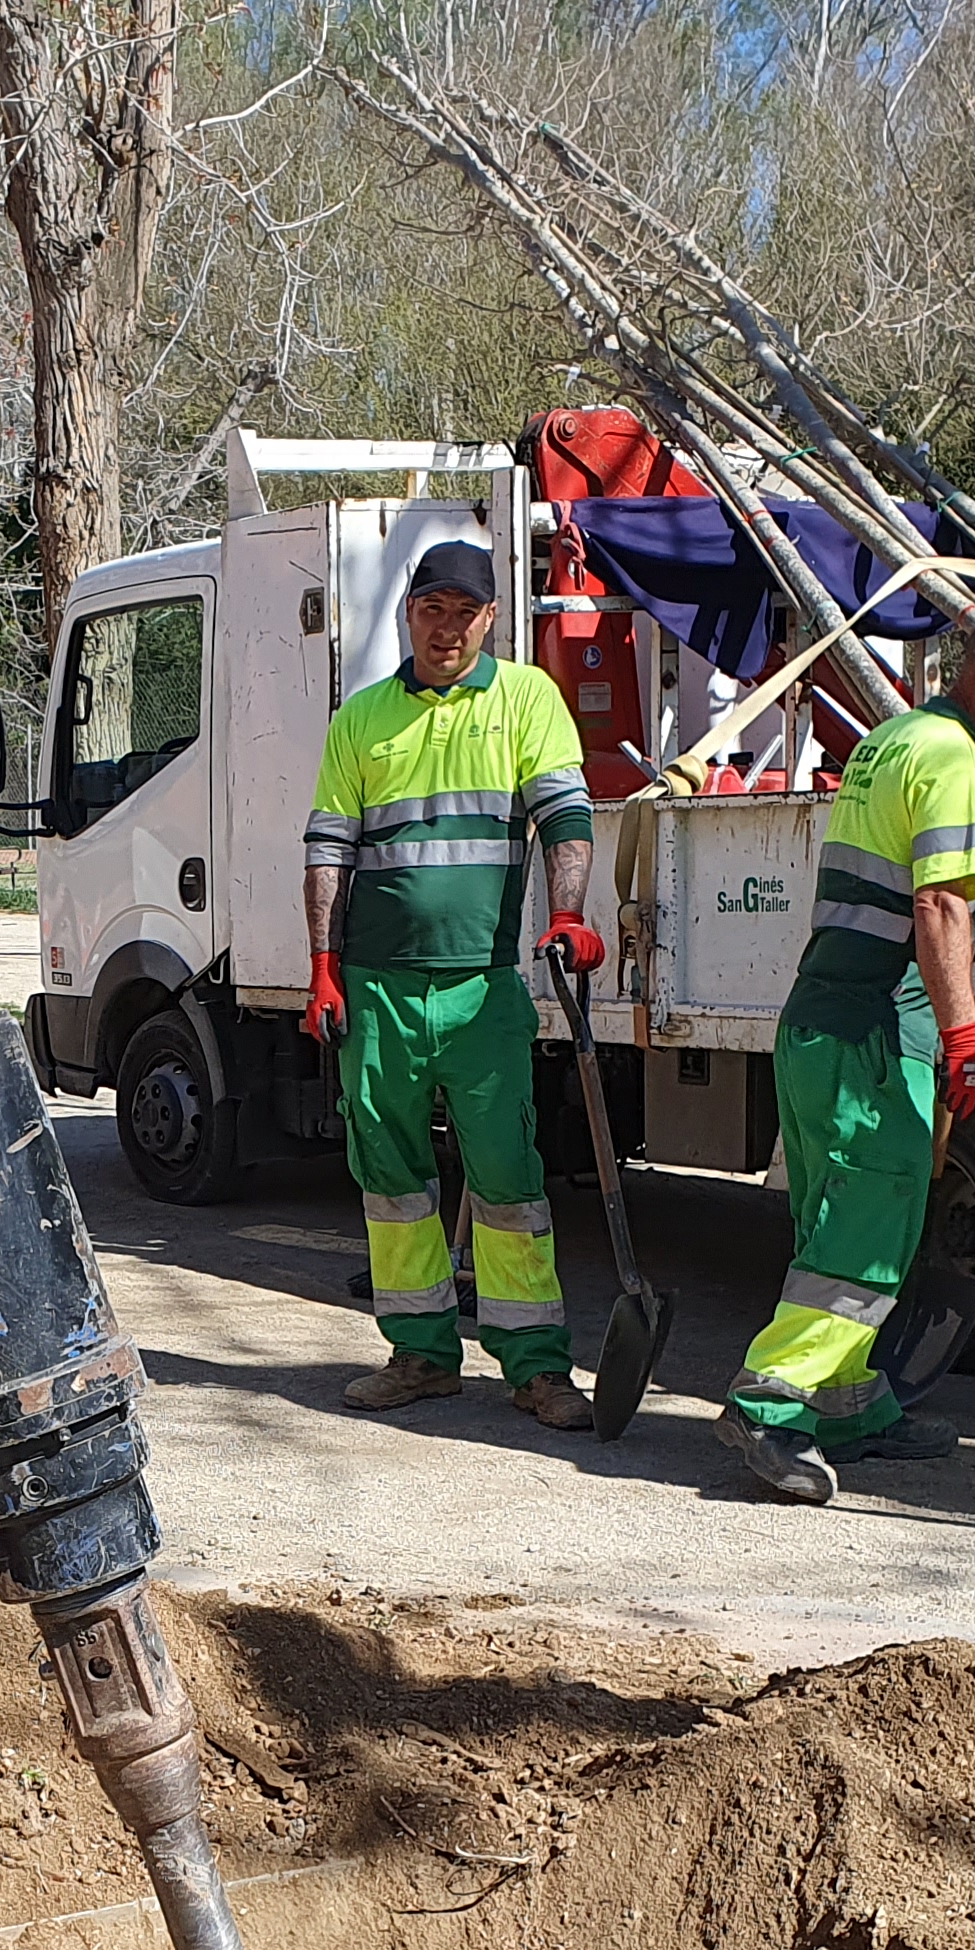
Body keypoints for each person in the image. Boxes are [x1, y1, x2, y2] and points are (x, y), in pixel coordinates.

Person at [718, 600, 975, 1501]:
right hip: (878, 1034)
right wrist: (966, 1035)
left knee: (833, 1218)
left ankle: (846, 1401)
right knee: (868, 1230)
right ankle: (772, 1398)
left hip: (823, 1024)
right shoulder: (958, 761)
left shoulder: (895, 741)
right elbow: (941, 906)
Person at [303, 539, 602, 1423]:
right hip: (377, 986)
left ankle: (537, 1367)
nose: (446, 628)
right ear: (409, 612)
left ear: (490, 618)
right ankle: (421, 1353)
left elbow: (565, 816)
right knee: (391, 1184)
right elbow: (328, 849)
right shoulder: (362, 719)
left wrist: (569, 913)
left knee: (507, 1175)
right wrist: (321, 969)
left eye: (463, 613)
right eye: (431, 609)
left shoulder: (526, 700)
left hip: (480, 988)